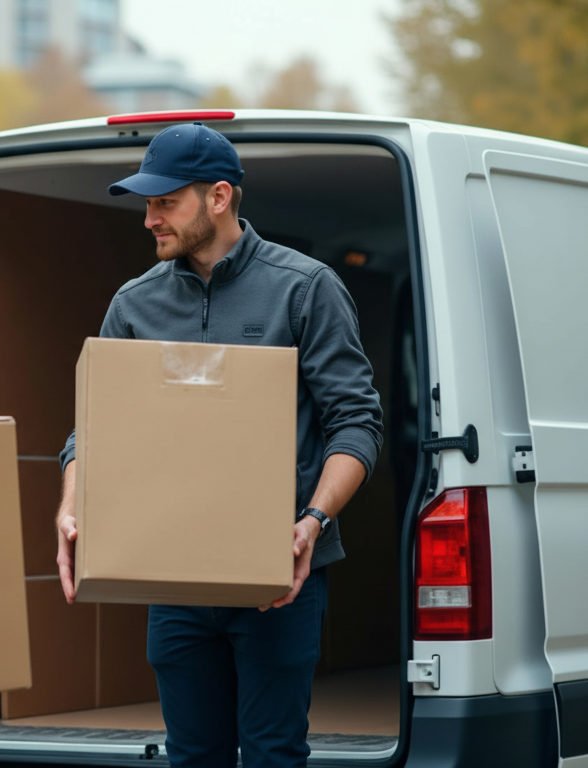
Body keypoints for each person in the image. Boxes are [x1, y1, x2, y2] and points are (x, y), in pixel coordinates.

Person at [54, 124, 383, 768]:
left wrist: (312, 522)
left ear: (219, 197)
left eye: (164, 202)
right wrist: (73, 504)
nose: (149, 219)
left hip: (278, 576)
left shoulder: (305, 288)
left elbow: (357, 424)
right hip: (173, 580)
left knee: (272, 755)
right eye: (146, 204)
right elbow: (92, 431)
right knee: (192, 756)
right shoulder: (133, 306)